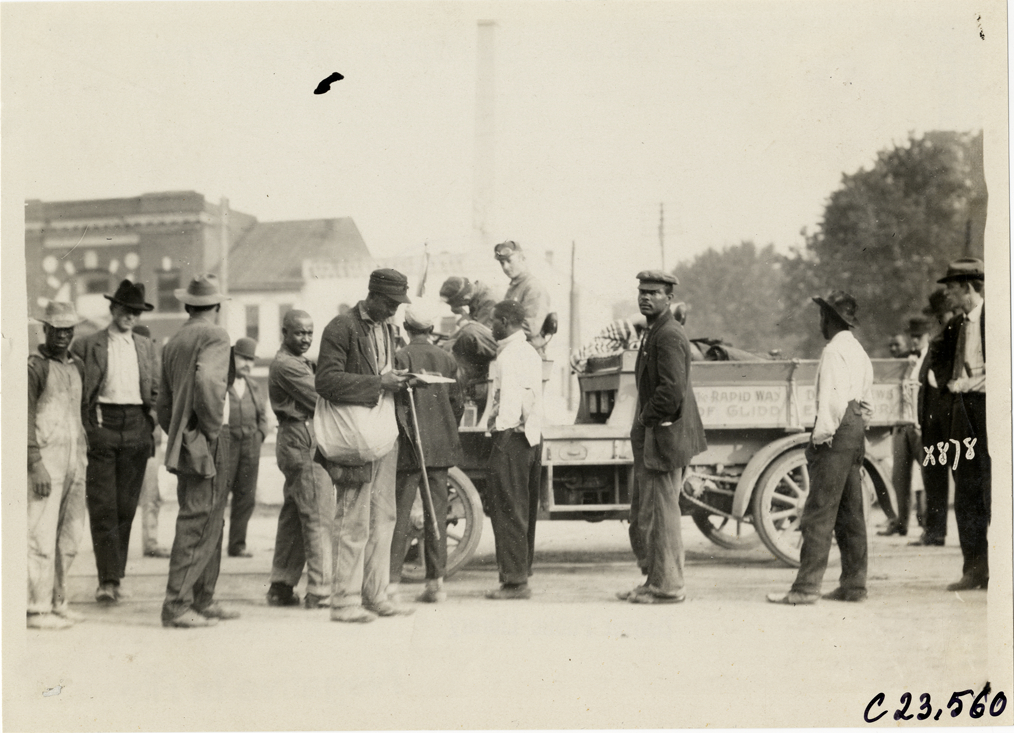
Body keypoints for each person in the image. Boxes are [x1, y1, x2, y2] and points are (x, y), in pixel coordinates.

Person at [316, 269, 413, 622]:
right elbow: (326, 381)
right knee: (353, 519)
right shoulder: (340, 327)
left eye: (398, 304)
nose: (394, 310)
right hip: (354, 439)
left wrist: (397, 381)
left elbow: (384, 374)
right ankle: (344, 601)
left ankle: (376, 594)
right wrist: (379, 383)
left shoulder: (388, 329)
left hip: (383, 434)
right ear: (371, 296)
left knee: (384, 517)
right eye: (389, 303)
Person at [768, 291, 873, 605]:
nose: (819, 324)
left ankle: (805, 588)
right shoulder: (858, 351)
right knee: (851, 513)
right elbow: (867, 401)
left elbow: (831, 400)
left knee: (818, 513)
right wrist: (856, 427)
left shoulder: (833, 352)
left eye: (821, 317)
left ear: (829, 319)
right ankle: (854, 586)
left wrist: (821, 437)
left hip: (836, 429)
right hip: (855, 428)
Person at [617, 272, 706, 605]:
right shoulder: (655, 331)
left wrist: (644, 419)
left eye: (653, 293)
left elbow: (670, 392)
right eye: (641, 292)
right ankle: (654, 581)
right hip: (657, 436)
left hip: (663, 437)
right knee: (651, 514)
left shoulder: (668, 334)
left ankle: (668, 587)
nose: (645, 298)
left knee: (663, 516)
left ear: (669, 298)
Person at [156, 274, 240, 628]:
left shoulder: (174, 341)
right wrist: (208, 428)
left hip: (185, 440)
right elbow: (208, 381)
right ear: (216, 307)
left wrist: (180, 433)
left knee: (207, 518)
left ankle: (202, 597)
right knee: (200, 520)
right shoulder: (216, 335)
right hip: (207, 439)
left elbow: (162, 404)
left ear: (189, 305)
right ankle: (177, 605)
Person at [71, 279, 159, 603]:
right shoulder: (87, 345)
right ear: (113, 309)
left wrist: (150, 423)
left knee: (126, 506)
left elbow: (156, 390)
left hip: (136, 427)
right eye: (125, 310)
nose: (131, 317)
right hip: (102, 426)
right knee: (103, 505)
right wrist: (88, 430)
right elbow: (77, 391)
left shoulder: (146, 346)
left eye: (136, 312)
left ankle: (115, 574)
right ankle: (106, 580)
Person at [389, 307, 465, 603]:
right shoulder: (446, 358)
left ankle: (391, 585)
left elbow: (395, 404)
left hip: (409, 448)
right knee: (437, 517)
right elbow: (458, 401)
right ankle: (436, 584)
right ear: (431, 328)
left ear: (406, 327)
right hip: (439, 448)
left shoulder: (401, 357)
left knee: (400, 516)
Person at [266, 310, 335, 609]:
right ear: (284, 332)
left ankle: (281, 587)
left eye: (310, 332)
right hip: (302, 439)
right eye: (299, 333)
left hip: (296, 439)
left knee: (295, 517)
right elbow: (322, 399)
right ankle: (320, 591)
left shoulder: (297, 361)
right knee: (318, 516)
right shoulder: (287, 365)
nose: (306, 338)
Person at [27, 302, 89, 629]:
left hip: (75, 461)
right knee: (39, 534)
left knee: (69, 537)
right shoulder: (34, 367)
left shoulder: (77, 366)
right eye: (57, 329)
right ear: (45, 329)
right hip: (46, 462)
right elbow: (22, 418)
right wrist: (34, 462)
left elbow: (83, 413)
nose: (63, 335)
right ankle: (36, 609)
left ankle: (58, 601)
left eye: (69, 329)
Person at [484, 299, 545, 600]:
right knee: (521, 509)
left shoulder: (510, 356)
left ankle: (515, 582)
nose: (490, 325)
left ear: (505, 321)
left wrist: (500, 434)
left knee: (508, 509)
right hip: (530, 439)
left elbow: (509, 404)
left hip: (512, 438)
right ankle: (519, 574)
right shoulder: (528, 351)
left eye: (493, 320)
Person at [936, 258, 988, 591]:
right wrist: (951, 385)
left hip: (991, 411)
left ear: (968, 288)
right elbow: (938, 357)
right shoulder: (956, 325)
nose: (948, 296)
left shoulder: (999, 319)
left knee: (993, 490)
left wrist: (977, 383)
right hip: (961, 413)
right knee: (965, 488)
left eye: (952, 289)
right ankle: (975, 570)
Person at [878, 317, 932, 538]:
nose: (915, 340)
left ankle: (929, 526)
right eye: (912, 336)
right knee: (899, 477)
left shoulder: (933, 358)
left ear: (928, 335)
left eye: (919, 336)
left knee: (928, 476)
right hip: (901, 426)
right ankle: (901, 522)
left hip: (921, 425)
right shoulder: (902, 359)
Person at [909, 289, 955, 547]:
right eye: (937, 315)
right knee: (933, 475)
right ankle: (935, 532)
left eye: (942, 314)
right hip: (932, 419)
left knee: (963, 476)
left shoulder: (957, 337)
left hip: (952, 415)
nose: (940, 319)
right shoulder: (936, 341)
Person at [224, 337, 269, 558]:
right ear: (233, 357)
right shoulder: (222, 383)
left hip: (250, 448)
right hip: (226, 447)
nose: (247, 364)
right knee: (219, 495)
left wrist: (258, 437)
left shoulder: (253, 386)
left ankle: (237, 545)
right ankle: (211, 545)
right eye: (243, 358)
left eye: (251, 360)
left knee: (246, 497)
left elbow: (263, 418)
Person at [133, 324, 171, 558]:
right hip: (128, 439)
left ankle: (151, 541)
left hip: (150, 442)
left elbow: (161, 404)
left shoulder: (156, 370)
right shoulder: (124, 368)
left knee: (151, 495)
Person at [494, 241, 552, 355]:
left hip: (528, 353)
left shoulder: (533, 288)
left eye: (509, 261)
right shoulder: (514, 288)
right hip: (512, 349)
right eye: (502, 263)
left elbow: (530, 329)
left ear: (522, 258)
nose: (505, 267)